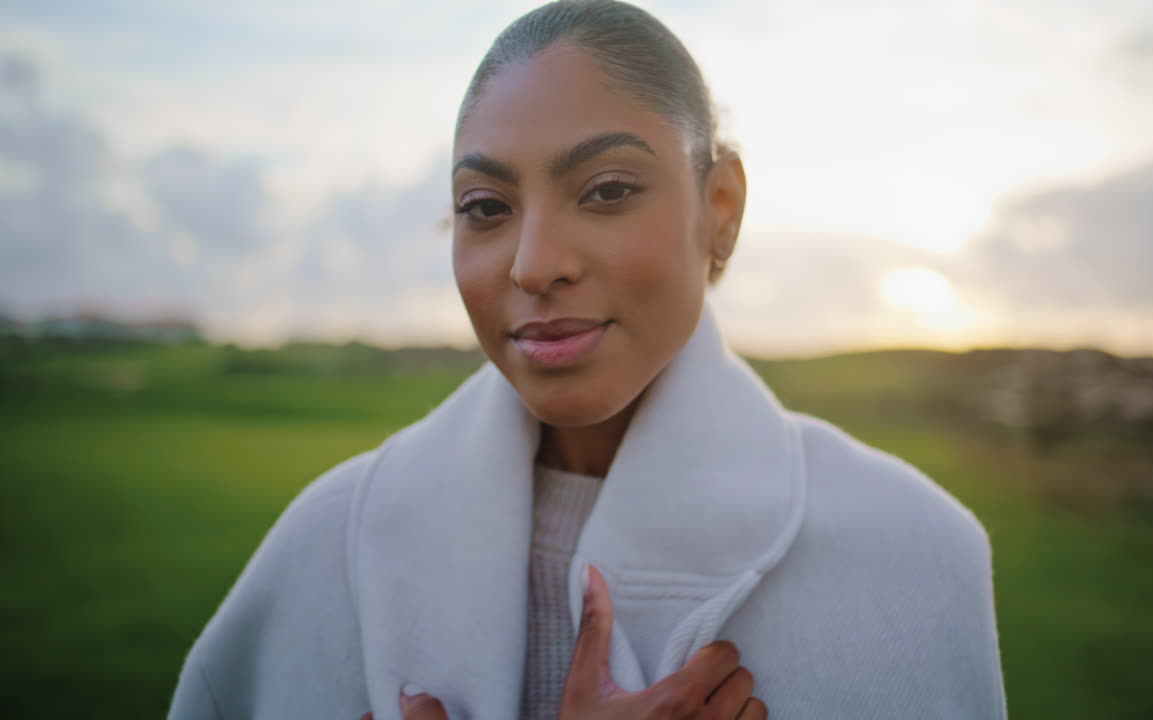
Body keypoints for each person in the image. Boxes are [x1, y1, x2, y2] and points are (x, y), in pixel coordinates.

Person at [167, 1, 1007, 718]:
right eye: (486, 206)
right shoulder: (325, 545)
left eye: (606, 190)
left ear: (720, 209)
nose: (534, 264)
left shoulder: (914, 556)